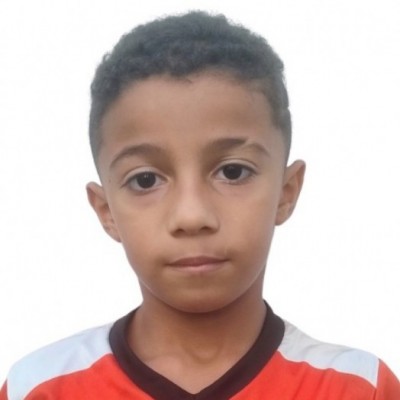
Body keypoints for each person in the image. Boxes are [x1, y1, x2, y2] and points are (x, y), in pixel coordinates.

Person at [1, 11, 399, 400]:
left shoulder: (358, 388)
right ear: (106, 211)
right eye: (145, 180)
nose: (191, 216)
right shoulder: (40, 388)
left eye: (233, 172)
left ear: (287, 191)